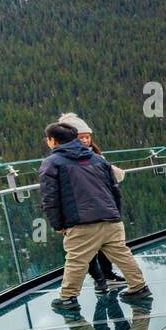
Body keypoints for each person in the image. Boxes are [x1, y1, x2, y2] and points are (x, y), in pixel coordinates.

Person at [39, 122, 150, 312]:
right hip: (111, 218)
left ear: (52, 140)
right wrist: (115, 214)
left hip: (81, 222)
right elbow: (115, 190)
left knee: (76, 260)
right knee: (122, 254)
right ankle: (139, 287)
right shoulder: (97, 159)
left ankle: (67, 298)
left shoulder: (52, 163)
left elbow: (50, 197)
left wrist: (58, 224)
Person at [58, 113, 126, 291]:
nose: (86, 141)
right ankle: (99, 278)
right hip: (81, 212)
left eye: (88, 137)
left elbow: (115, 177)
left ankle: (106, 275)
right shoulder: (64, 161)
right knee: (86, 252)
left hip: (99, 208)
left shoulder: (93, 157)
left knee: (102, 247)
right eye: (81, 137)